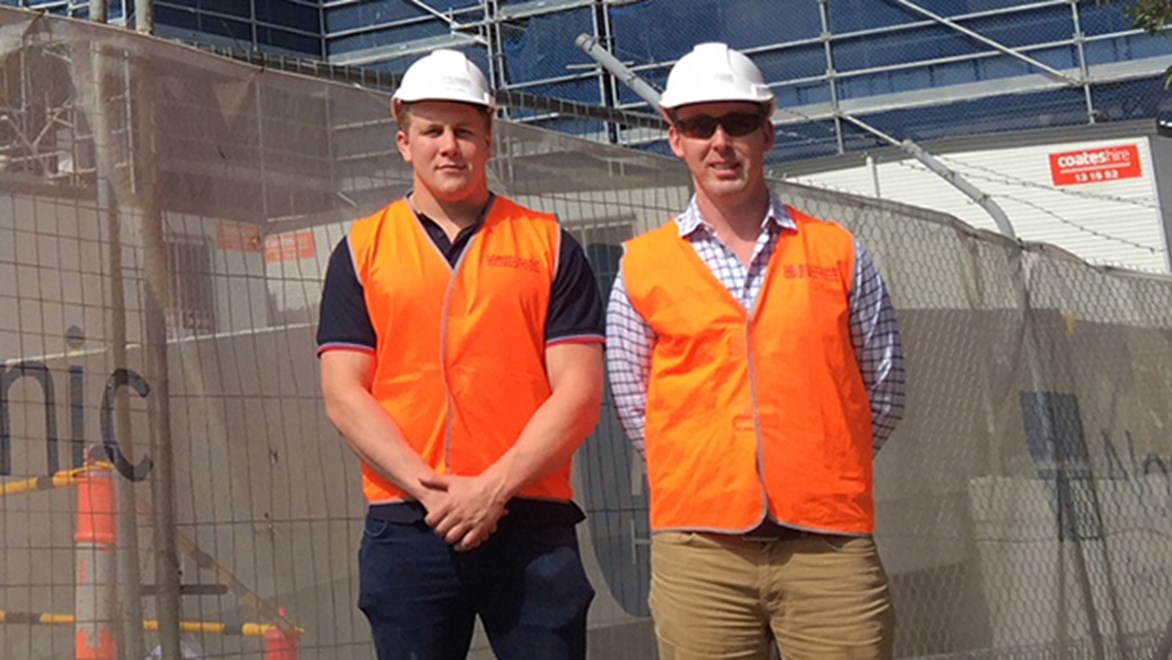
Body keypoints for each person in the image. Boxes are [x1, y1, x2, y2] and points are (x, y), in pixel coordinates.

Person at [606, 42, 906, 660]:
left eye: (737, 122)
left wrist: (819, 457)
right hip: (700, 553)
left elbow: (883, 388)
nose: (720, 141)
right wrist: (710, 466)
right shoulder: (642, 265)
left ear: (767, 133)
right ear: (675, 139)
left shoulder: (838, 252)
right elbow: (637, 407)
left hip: (828, 545)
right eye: (699, 125)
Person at [316, 49, 604, 660]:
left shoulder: (549, 244)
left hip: (528, 519)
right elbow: (344, 394)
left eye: (465, 131)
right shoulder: (361, 251)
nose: (449, 146)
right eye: (432, 131)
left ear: (489, 141)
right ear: (404, 143)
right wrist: (433, 494)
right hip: (408, 520)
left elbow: (579, 393)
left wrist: (492, 490)